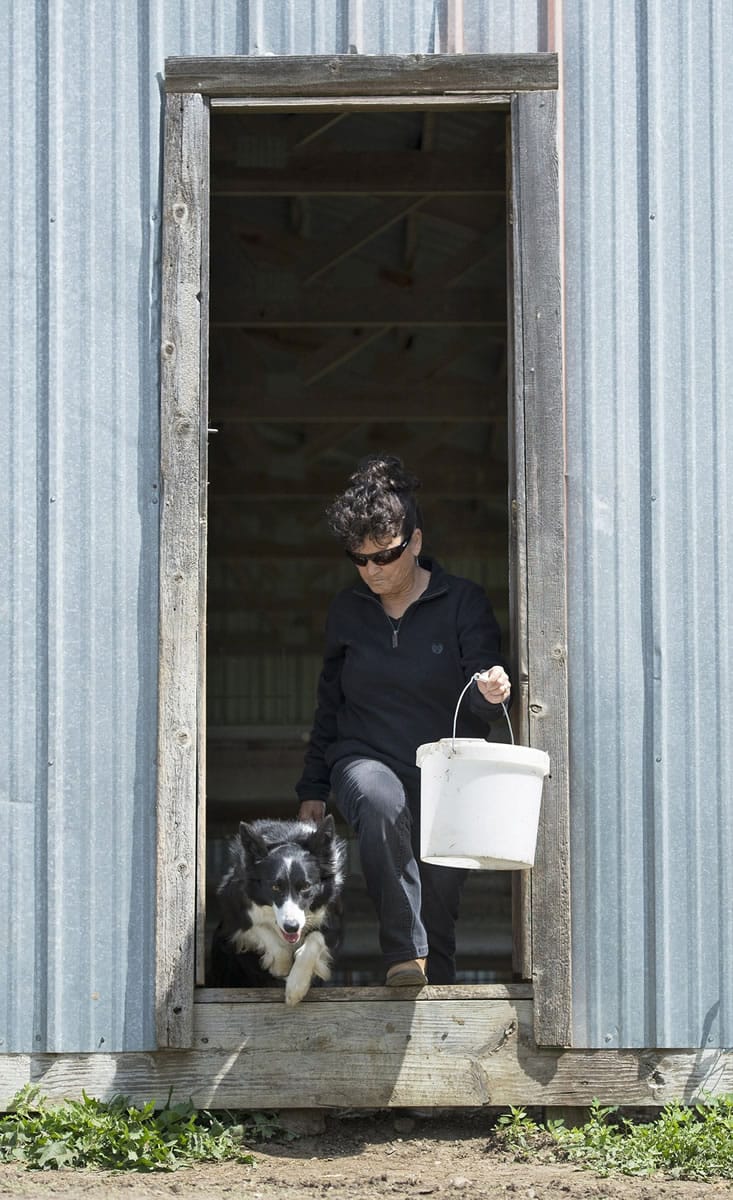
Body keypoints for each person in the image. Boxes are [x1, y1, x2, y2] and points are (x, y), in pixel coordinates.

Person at [295, 455, 512, 987]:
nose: (372, 570)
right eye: (360, 559)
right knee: (379, 799)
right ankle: (401, 954)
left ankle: (434, 990)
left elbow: (485, 692)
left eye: (385, 556)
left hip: (447, 772)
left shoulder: (462, 602)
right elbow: (330, 703)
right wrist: (313, 785)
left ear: (415, 542)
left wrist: (492, 689)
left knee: (439, 901)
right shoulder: (347, 611)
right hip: (362, 759)